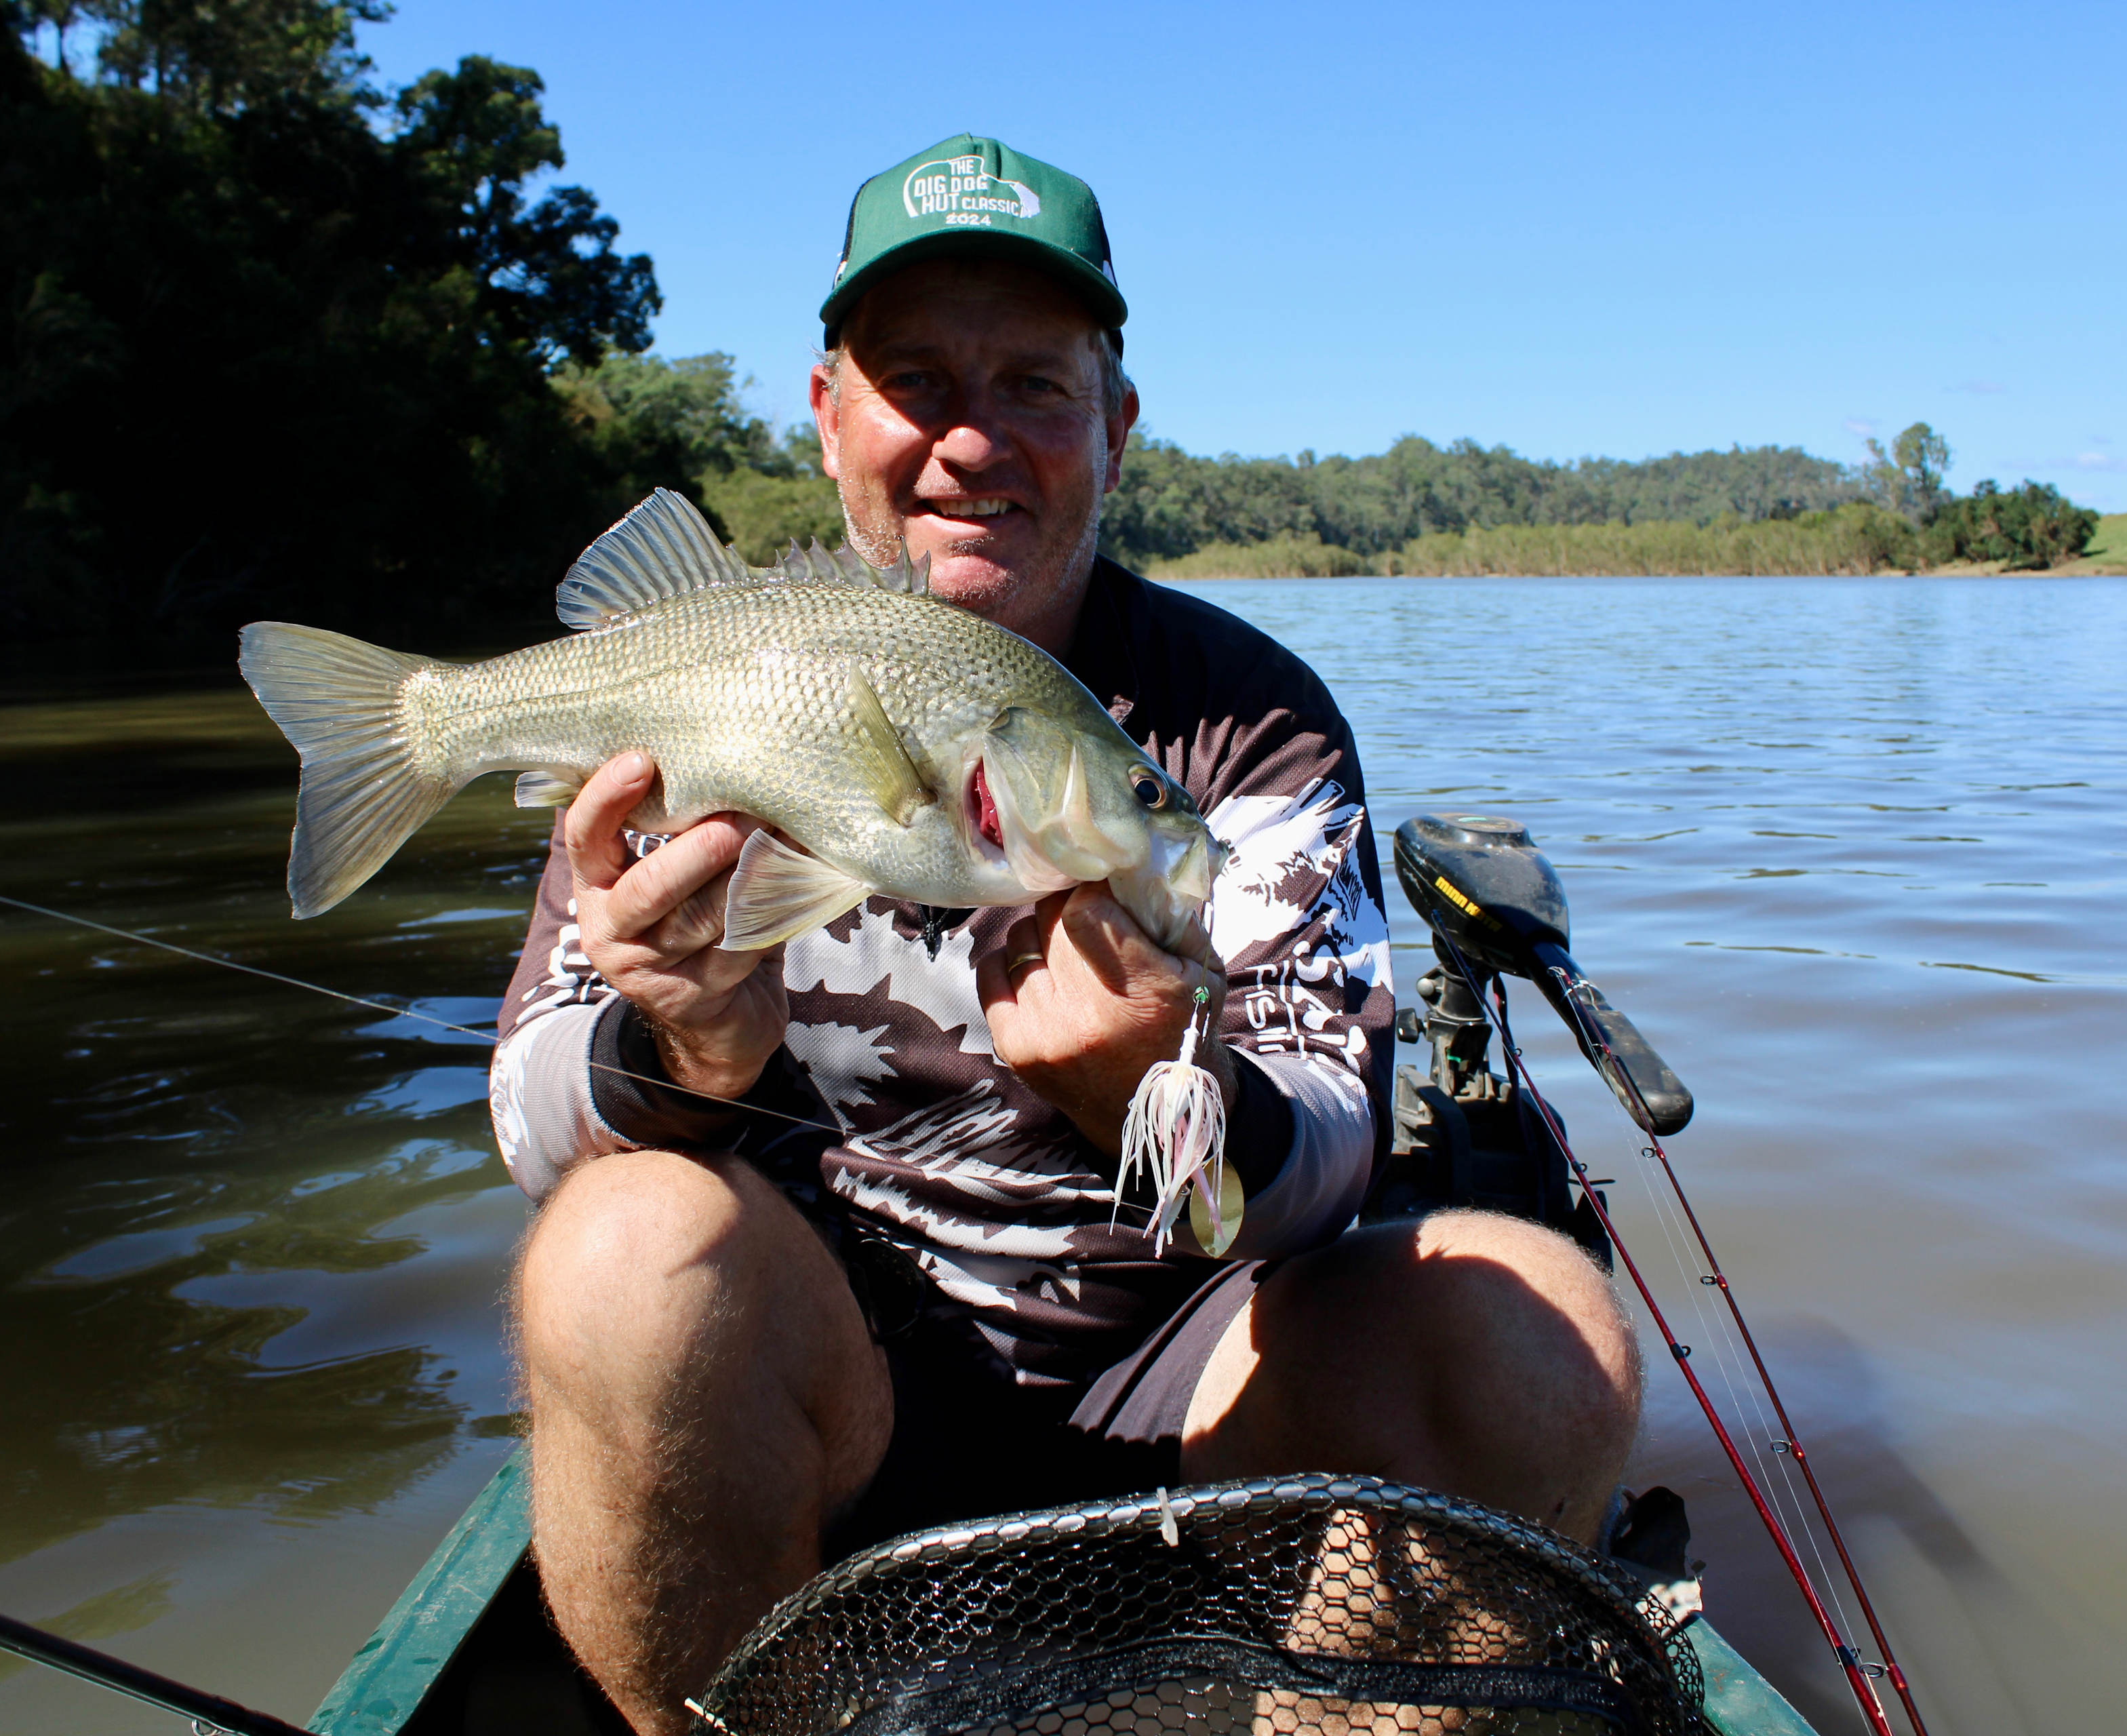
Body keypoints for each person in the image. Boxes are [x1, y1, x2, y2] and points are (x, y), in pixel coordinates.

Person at [488, 134, 1640, 1736]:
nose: (972, 440)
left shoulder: (1250, 722)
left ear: (1117, 425)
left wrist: (1165, 1098)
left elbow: (1332, 1148)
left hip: (1202, 1383)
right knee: (614, 1260)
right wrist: (679, 1041)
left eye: (1035, 383)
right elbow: (529, 1118)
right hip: (838, 1379)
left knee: (1537, 1322)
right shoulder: (715, 669)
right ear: (828, 419)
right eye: (915, 380)